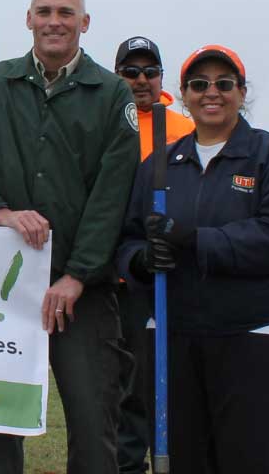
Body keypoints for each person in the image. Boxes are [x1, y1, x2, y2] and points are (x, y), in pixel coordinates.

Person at [0, 0, 140, 473]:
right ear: (28, 18)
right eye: (45, 11)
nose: (54, 22)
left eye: (65, 13)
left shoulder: (113, 95)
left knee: (95, 428)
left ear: (84, 23)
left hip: (83, 294)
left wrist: (76, 274)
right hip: (4, 289)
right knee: (1, 427)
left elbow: (112, 196)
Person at [116, 44, 269, 473]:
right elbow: (127, 240)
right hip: (175, 333)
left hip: (253, 330)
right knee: (187, 457)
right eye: (199, 84)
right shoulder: (160, 165)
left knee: (255, 457)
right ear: (183, 94)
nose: (212, 93)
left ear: (242, 92)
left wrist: (194, 240)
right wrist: (143, 261)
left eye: (225, 83)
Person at [111, 36, 192, 474]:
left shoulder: (182, 126)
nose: (141, 80)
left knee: (172, 381)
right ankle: (129, 465)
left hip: (173, 274)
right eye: (131, 72)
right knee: (129, 387)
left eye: (150, 71)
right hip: (123, 277)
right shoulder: (106, 121)